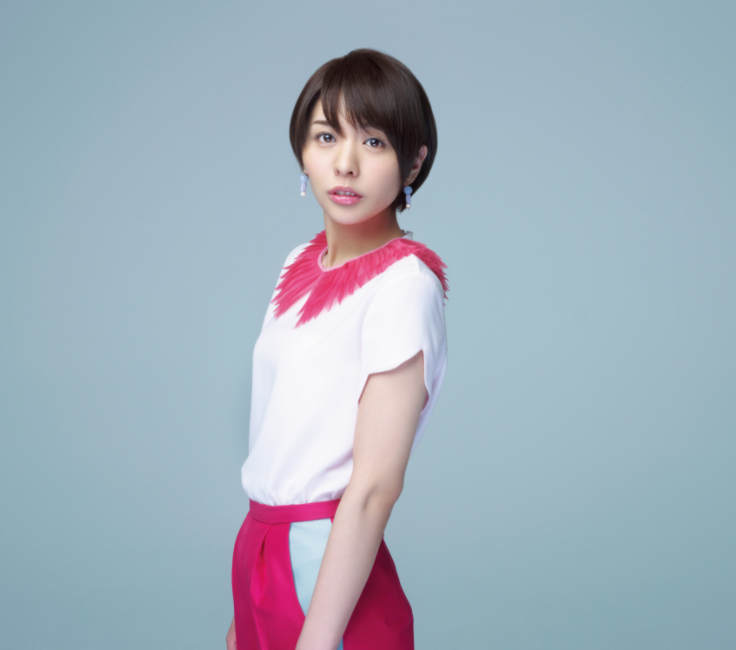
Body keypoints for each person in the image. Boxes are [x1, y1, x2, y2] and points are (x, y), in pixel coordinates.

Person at [227, 48, 449, 650]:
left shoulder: (404, 286)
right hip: (261, 547)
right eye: (327, 136)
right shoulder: (297, 264)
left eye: (373, 142)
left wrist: (317, 638)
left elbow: (374, 487)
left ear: (413, 161)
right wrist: (245, 606)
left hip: (325, 560)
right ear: (302, 149)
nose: (345, 164)